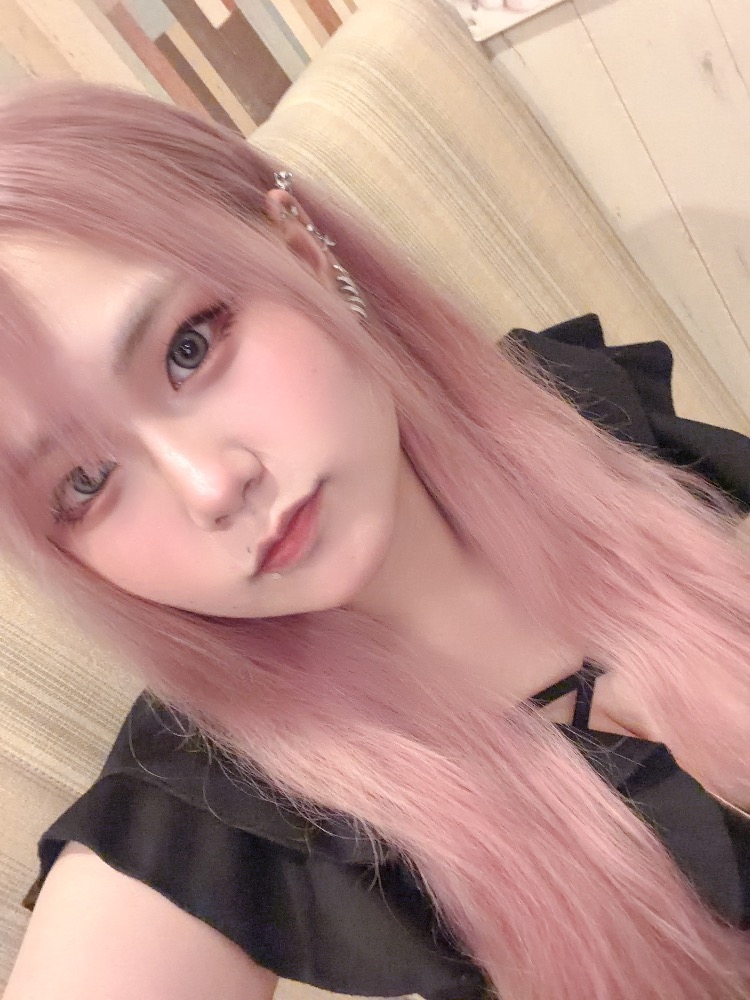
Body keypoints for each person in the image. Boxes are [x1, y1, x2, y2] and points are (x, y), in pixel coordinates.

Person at [1, 80, 750, 1000]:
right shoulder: (209, 816)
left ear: (301, 250)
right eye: (84, 481)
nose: (210, 486)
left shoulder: (585, 414)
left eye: (188, 349)